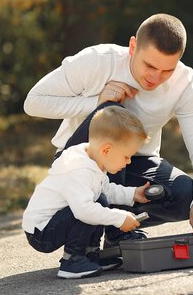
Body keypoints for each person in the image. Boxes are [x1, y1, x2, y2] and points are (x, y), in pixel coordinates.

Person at [23, 13, 193, 244]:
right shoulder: (98, 61)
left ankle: (117, 228)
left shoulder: (184, 84)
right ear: (133, 46)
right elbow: (33, 102)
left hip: (135, 164)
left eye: (167, 70)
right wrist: (97, 102)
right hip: (83, 163)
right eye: (150, 65)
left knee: (186, 195)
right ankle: (94, 238)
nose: (156, 78)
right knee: (113, 111)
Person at [22, 106, 151, 279]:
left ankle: (91, 255)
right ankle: (72, 260)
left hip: (59, 220)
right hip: (42, 232)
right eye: (126, 156)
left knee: (101, 200)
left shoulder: (94, 159)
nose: (128, 162)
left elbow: (105, 189)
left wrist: (132, 194)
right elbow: (84, 211)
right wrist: (119, 218)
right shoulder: (78, 169)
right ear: (106, 150)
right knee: (91, 208)